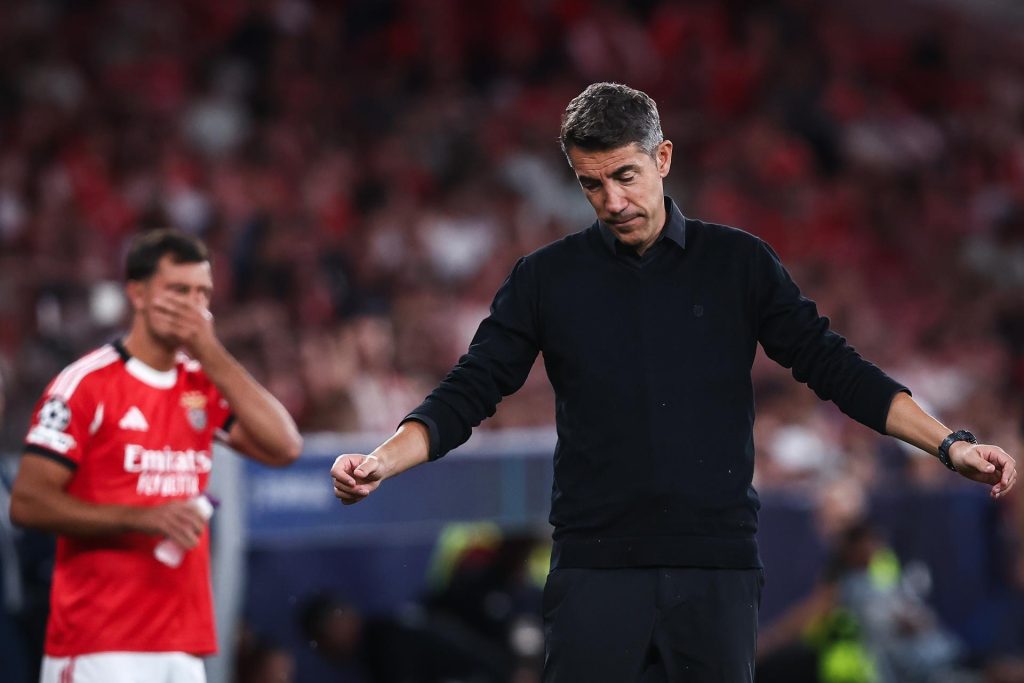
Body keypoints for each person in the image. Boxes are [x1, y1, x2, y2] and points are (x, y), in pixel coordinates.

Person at [330, 82, 1017, 682]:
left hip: (714, 570)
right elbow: (470, 390)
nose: (612, 199)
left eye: (625, 175)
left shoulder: (739, 264)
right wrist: (381, 461)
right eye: (591, 184)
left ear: (662, 157)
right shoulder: (546, 279)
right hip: (593, 570)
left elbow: (837, 368)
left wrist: (950, 444)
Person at [9, 229, 302, 683]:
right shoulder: (84, 384)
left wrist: (210, 352)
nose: (192, 305)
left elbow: (284, 446)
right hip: (99, 642)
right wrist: (141, 518)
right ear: (137, 293)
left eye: (202, 293)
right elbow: (27, 503)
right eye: (178, 290)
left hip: (181, 645)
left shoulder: (200, 384)